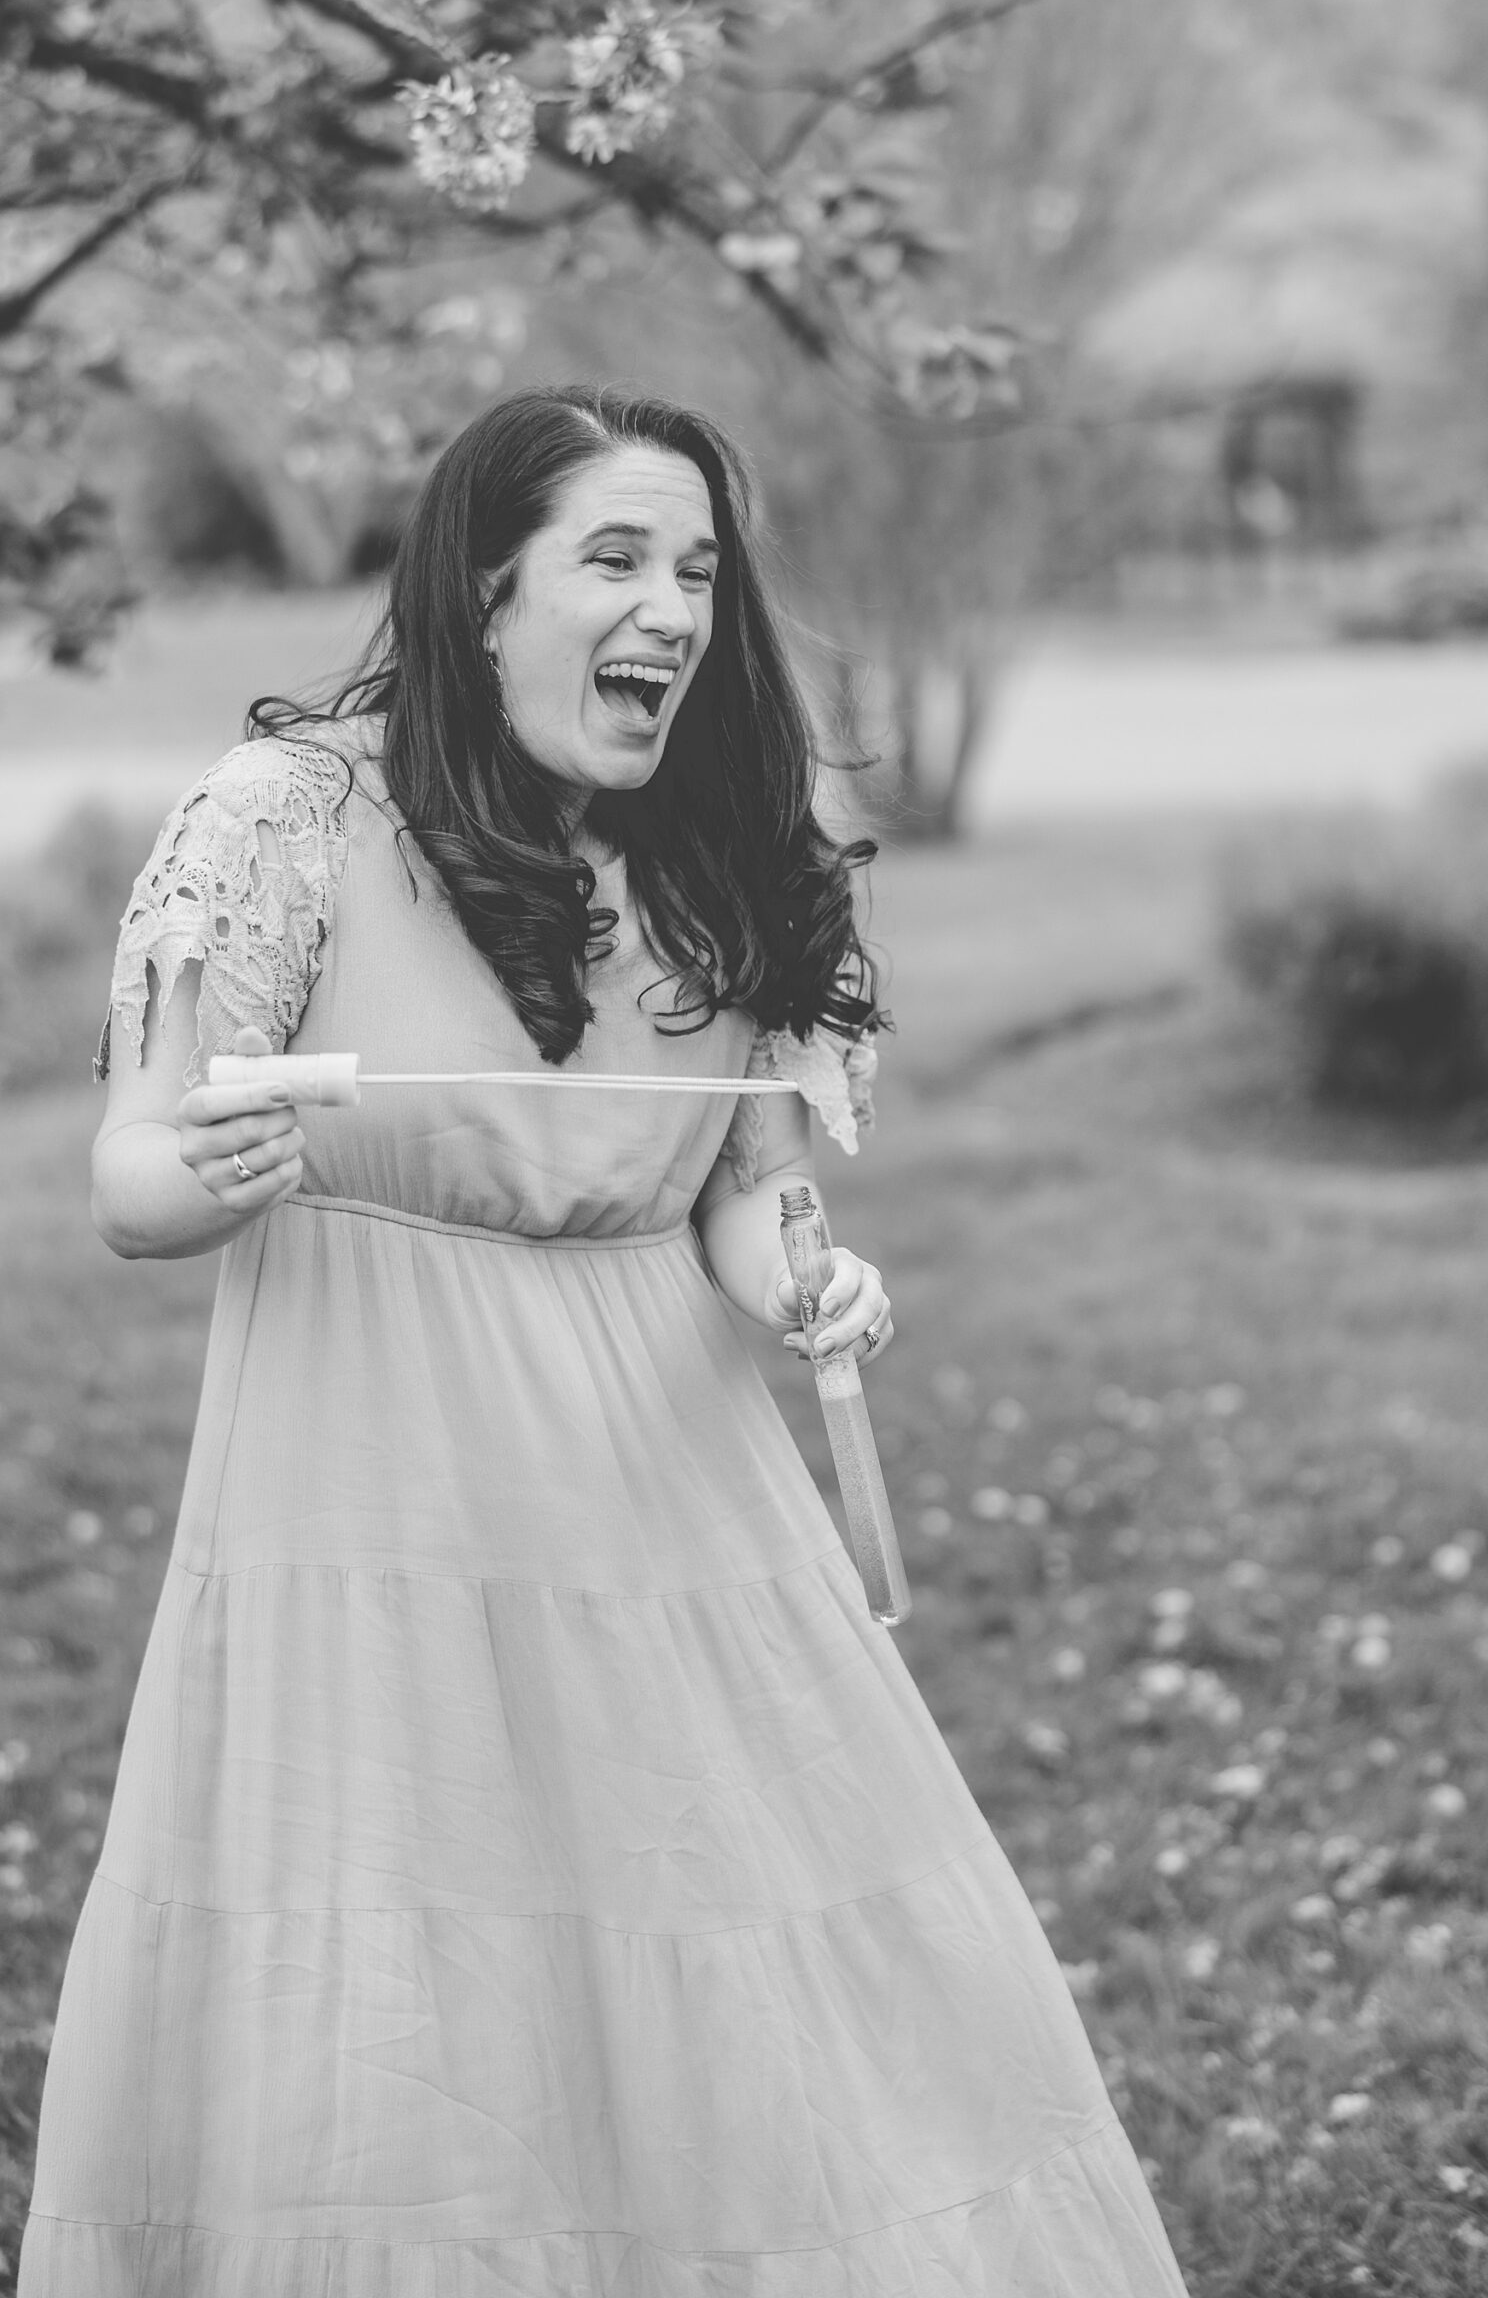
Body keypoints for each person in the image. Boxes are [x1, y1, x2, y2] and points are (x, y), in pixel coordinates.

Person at [20, 384, 1193, 2296]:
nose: (671, 609)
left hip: (665, 1505)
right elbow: (131, 1178)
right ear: (483, 596)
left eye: (699, 573)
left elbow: (732, 1193)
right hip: (362, 1497)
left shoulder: (733, 851)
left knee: (732, 1943)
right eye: (616, 561)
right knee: (407, 1971)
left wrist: (799, 1283)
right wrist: (211, 1166)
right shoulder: (290, 817)